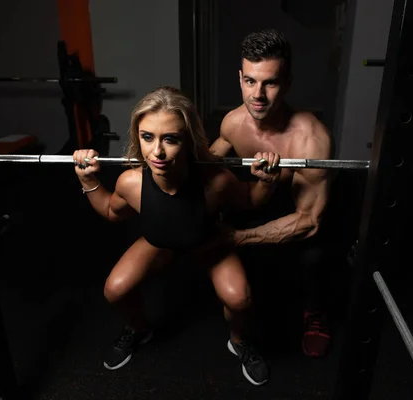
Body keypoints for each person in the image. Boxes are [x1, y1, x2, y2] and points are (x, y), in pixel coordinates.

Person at [72, 86, 281, 386]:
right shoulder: (131, 182)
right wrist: (89, 180)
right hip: (160, 242)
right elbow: (109, 210)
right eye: (147, 137)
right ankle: (139, 329)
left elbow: (250, 200)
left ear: (189, 139)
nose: (157, 152)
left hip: (206, 242)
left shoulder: (216, 181)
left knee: (240, 298)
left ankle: (240, 342)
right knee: (114, 290)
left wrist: (267, 183)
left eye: (170, 139)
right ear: (137, 136)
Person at [210, 29, 334, 358]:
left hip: (300, 215)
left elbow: (310, 221)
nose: (258, 95)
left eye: (270, 82)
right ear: (240, 78)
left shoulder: (311, 138)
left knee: (316, 256)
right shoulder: (233, 122)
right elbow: (204, 167)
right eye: (250, 81)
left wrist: (238, 237)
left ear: (288, 82)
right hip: (258, 201)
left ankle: (315, 311)